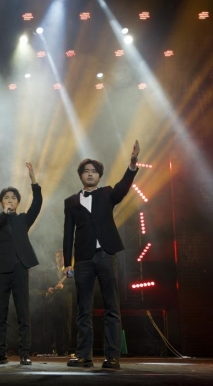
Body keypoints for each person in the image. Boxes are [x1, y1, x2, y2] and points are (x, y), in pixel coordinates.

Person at [63, 140, 140, 369]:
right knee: (83, 309)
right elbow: (68, 233)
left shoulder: (107, 194)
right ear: (80, 176)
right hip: (83, 259)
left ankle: (112, 356)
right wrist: (67, 262)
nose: (90, 174)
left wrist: (132, 165)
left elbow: (123, 187)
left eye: (94, 171)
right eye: (86, 171)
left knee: (111, 307)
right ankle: (84, 356)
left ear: (99, 176)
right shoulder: (71, 201)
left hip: (106, 254)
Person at [0, 162, 41, 366]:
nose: (10, 200)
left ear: (18, 202)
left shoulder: (23, 219)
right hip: (1, 270)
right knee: (0, 314)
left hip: (20, 269)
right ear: (1, 202)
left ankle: (24, 353)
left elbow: (38, 202)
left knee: (23, 312)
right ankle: (0, 353)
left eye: (14, 198)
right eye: (7, 198)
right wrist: (4, 214)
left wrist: (33, 180)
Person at [45, 249, 74, 356]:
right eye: (57, 257)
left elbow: (73, 286)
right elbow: (46, 284)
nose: (59, 259)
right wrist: (49, 289)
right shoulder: (50, 270)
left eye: (61, 257)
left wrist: (63, 287)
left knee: (66, 326)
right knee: (54, 326)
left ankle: (66, 349)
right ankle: (54, 349)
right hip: (54, 302)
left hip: (65, 302)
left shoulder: (69, 271)